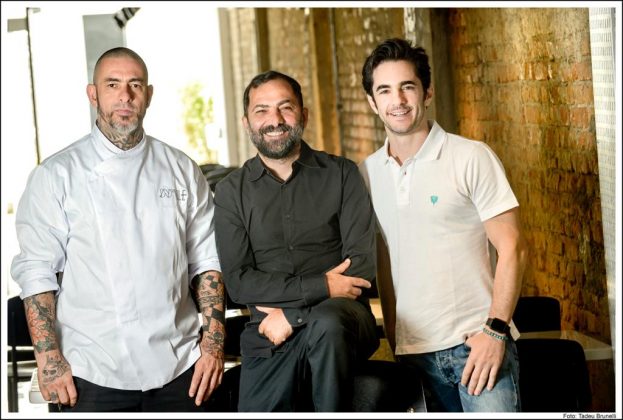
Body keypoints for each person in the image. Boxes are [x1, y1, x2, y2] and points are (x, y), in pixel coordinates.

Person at [10, 47, 224, 412]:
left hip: (181, 366)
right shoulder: (57, 175)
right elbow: (37, 273)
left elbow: (207, 261)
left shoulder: (182, 169)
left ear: (149, 95)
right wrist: (49, 359)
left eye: (134, 85)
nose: (125, 96)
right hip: (91, 371)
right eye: (112, 85)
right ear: (93, 94)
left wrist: (214, 346)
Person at [359, 38, 528, 412]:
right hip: (413, 356)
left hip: (476, 347)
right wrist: (394, 336)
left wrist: (495, 331)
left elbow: (513, 246)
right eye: (384, 90)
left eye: (408, 86)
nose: (397, 100)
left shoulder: (470, 157)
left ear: (428, 91)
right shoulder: (367, 174)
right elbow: (385, 259)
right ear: (373, 102)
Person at [213, 70, 379, 412]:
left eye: (285, 107)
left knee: (328, 323)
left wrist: (293, 313)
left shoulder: (343, 174)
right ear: (246, 122)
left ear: (303, 114)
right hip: (267, 334)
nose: (275, 120)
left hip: (343, 324)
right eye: (262, 110)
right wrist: (324, 285)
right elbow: (241, 282)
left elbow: (361, 265)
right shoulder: (232, 192)